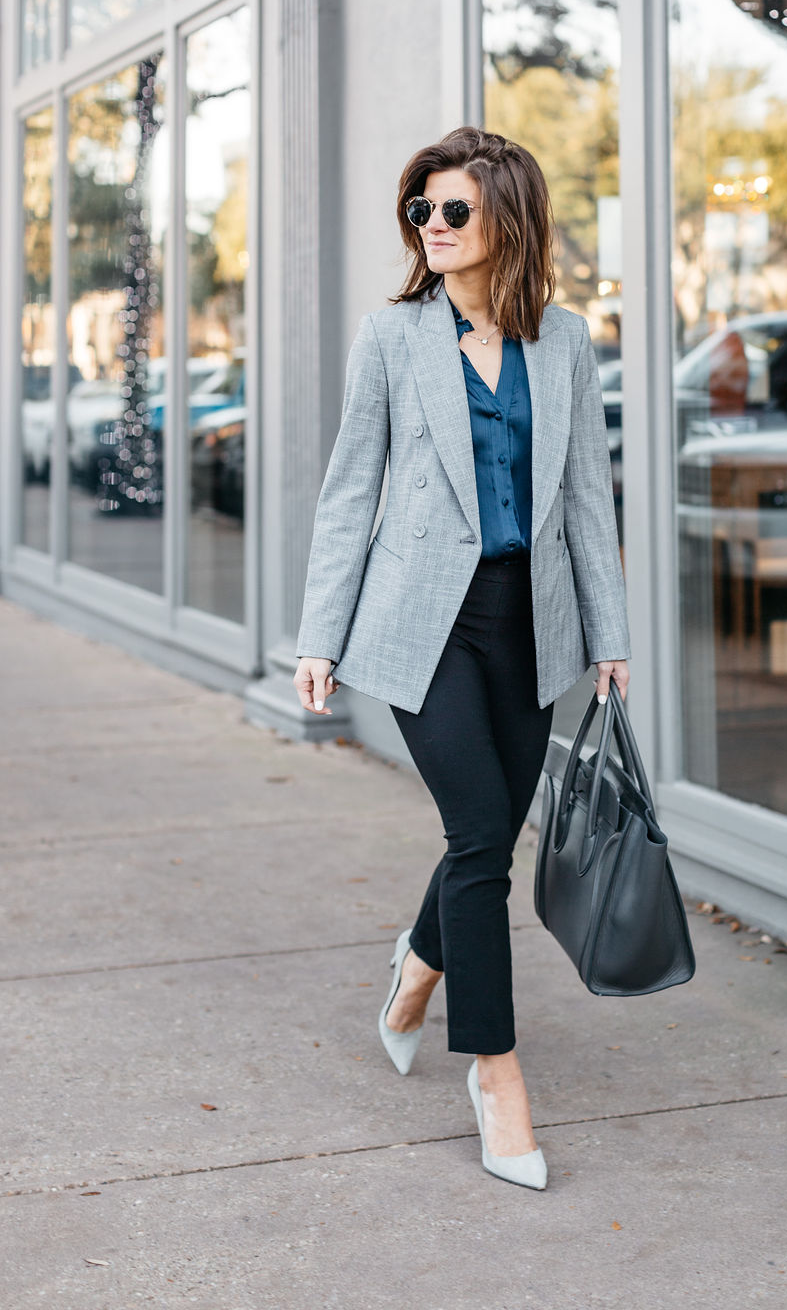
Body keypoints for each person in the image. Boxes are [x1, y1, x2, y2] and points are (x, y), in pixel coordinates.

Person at [294, 126, 630, 1191]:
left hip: (530, 625)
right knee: (480, 835)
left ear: (507, 223)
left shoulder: (564, 341)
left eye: (452, 212)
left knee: (489, 835)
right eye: (420, 213)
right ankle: (496, 1073)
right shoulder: (392, 339)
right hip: (416, 622)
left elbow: (584, 496)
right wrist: (319, 633)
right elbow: (352, 490)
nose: (431, 229)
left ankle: (416, 967)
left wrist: (608, 635)